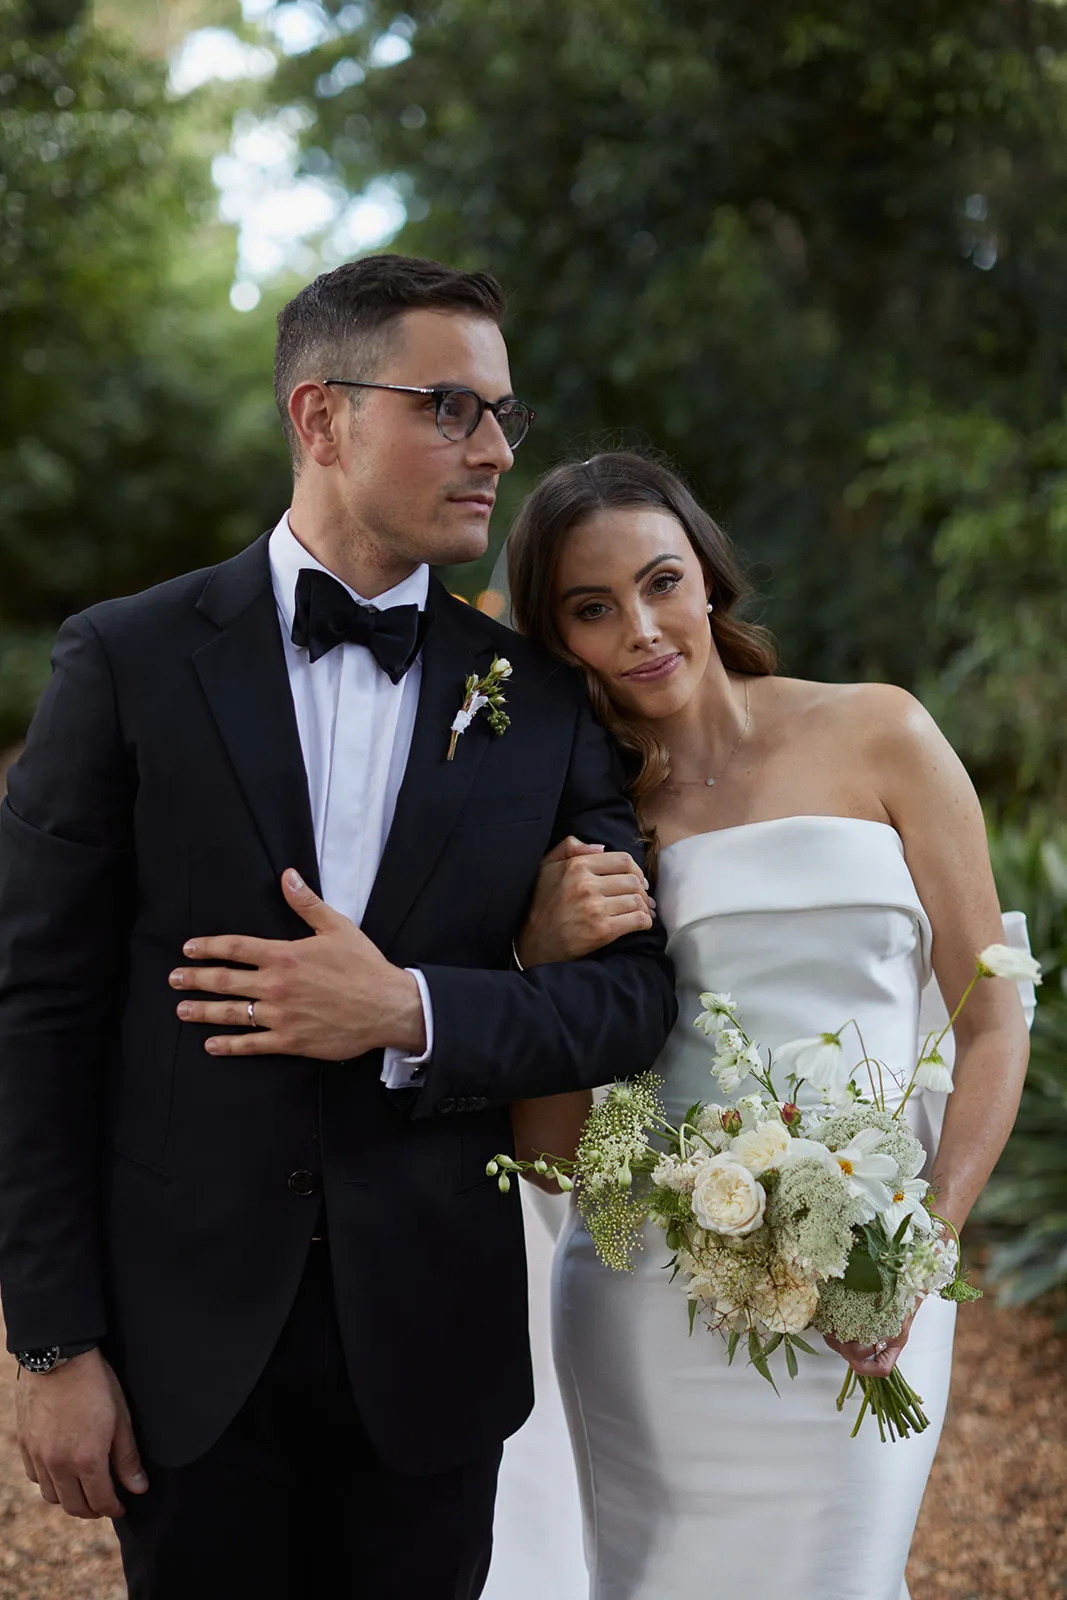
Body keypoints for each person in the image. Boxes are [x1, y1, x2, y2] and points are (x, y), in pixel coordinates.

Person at [0, 263, 677, 1600]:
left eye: (500, 413)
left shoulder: (535, 702)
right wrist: (51, 1345)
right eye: (448, 407)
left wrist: (414, 1010)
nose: (493, 449)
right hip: (183, 1349)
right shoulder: (125, 662)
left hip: (432, 1349)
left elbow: (632, 1001)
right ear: (320, 417)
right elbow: (36, 1014)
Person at [501, 450, 1032, 1600]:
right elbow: (554, 1156)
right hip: (648, 1290)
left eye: (661, 581)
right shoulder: (580, 827)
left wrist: (922, 1246)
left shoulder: (880, 732)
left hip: (873, 1267)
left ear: (708, 579)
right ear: (554, 640)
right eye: (589, 609)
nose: (641, 628)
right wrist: (541, 961)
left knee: (842, 1569)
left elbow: (990, 1022)